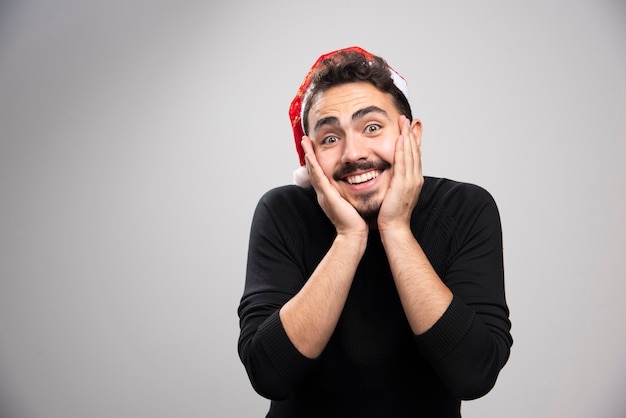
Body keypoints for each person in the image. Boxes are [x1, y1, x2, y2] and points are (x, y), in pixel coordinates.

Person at [237, 46, 512, 417]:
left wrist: (395, 228)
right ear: (310, 158)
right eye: (331, 138)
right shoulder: (282, 212)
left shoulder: (465, 208)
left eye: (371, 127)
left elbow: (473, 374)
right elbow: (269, 374)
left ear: (411, 135)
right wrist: (349, 238)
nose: (353, 153)